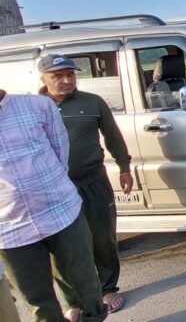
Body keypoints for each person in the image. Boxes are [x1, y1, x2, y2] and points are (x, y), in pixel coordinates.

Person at [38, 54, 133, 319]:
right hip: (53, 188)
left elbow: (113, 136)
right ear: (43, 78)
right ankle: (73, 300)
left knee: (102, 236)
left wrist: (124, 167)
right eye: (57, 76)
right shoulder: (34, 106)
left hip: (92, 181)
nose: (66, 81)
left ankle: (107, 288)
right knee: (61, 246)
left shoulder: (92, 102)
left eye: (70, 74)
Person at [0, 89, 107, 322]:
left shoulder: (37, 106)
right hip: (10, 231)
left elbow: (60, 153)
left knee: (87, 283)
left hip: (61, 212)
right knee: (39, 302)